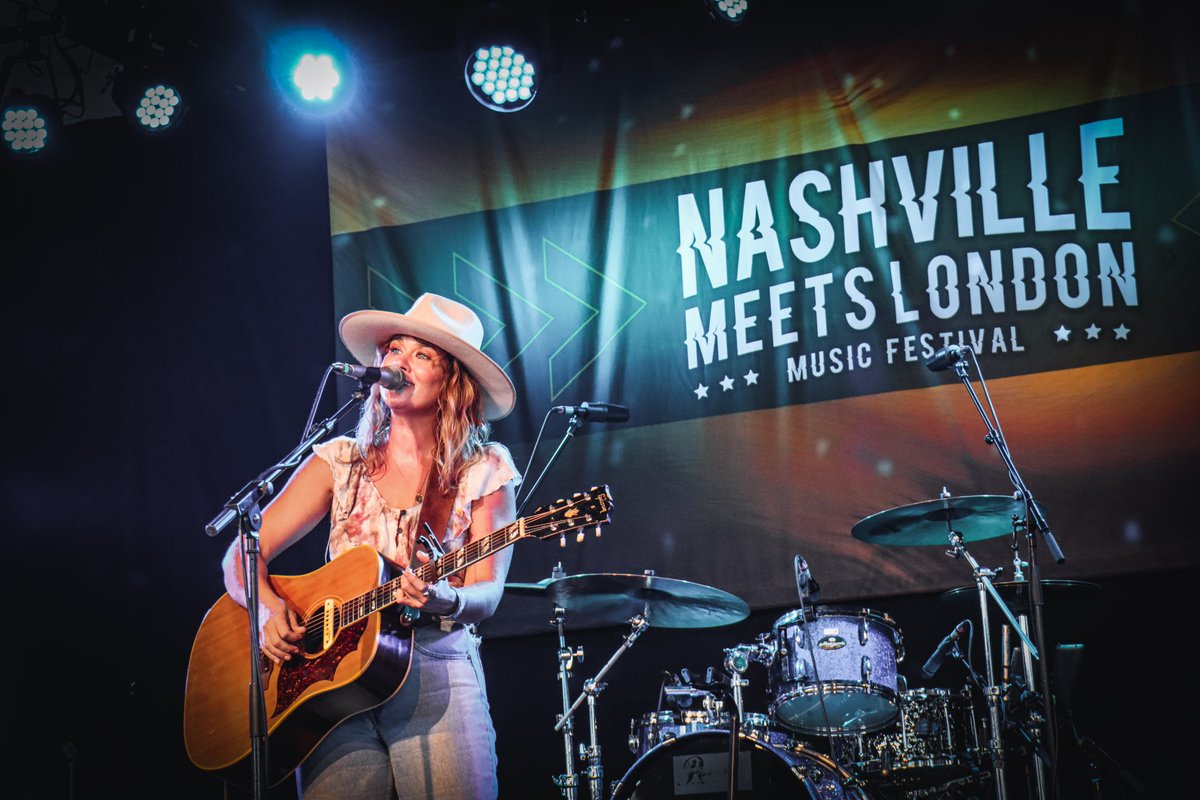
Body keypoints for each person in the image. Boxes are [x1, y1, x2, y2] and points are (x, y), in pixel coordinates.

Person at [221, 293, 519, 799]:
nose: (397, 362)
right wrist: (269, 611)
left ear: (453, 383)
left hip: (437, 677)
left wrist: (447, 599)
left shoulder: (483, 467)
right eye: (392, 350)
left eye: (421, 354)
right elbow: (242, 554)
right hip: (331, 687)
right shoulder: (341, 461)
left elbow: (486, 592)